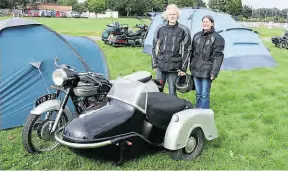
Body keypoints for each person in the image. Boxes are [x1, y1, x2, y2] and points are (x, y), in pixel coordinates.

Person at [151, 4, 191, 96]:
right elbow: (154, 47)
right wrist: (154, 63)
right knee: (157, 90)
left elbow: (187, 50)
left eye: (174, 14)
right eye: (170, 14)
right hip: (160, 65)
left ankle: (173, 110)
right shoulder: (160, 28)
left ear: (177, 15)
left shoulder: (184, 30)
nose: (172, 16)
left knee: (172, 91)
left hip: (174, 67)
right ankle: (158, 109)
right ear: (166, 16)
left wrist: (183, 69)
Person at [189, 15, 225, 109]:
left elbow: (218, 56)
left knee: (204, 94)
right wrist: (191, 66)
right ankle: (197, 110)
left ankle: (204, 114)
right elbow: (192, 53)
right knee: (198, 93)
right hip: (196, 68)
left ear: (212, 24)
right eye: (204, 22)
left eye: (207, 22)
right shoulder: (196, 36)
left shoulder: (218, 38)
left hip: (207, 70)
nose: (205, 23)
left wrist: (214, 72)